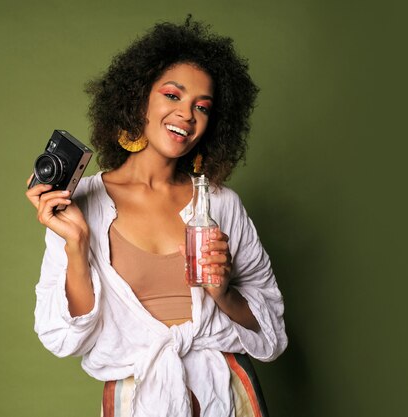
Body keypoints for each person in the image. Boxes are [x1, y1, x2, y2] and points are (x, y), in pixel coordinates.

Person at [25, 17, 287, 417]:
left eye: (202, 107)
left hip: (228, 396)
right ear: (138, 100)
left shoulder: (221, 204)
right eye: (172, 95)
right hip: (140, 401)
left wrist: (223, 293)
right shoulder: (82, 203)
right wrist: (76, 245)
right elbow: (64, 337)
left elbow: (271, 329)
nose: (187, 114)